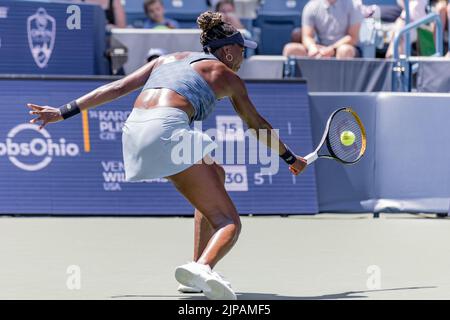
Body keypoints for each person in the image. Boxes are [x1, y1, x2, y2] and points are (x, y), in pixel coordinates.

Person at [26, 11, 307, 300]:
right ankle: (204, 267)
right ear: (227, 51)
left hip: (134, 130)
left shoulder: (167, 59)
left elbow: (117, 87)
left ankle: (195, 272)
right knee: (230, 222)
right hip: (166, 129)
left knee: (216, 174)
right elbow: (257, 126)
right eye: (241, 50)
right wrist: (290, 158)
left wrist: (62, 111)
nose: (244, 56)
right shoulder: (226, 75)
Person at [283, 0, 363, 59]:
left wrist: (332, 49)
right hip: (319, 48)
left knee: (345, 50)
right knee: (290, 49)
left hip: (343, 48)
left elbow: (353, 37)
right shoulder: (311, 6)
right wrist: (312, 47)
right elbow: (307, 36)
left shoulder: (354, 5)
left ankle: (343, 81)